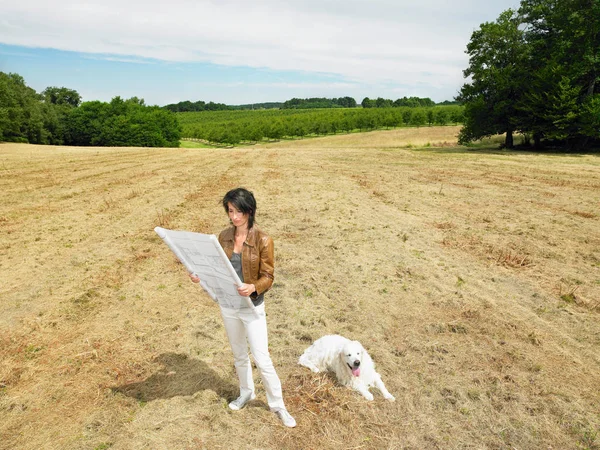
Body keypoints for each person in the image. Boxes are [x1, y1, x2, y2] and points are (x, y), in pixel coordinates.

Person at [189, 187, 296, 428]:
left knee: (262, 357)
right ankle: (246, 392)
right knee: (239, 354)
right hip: (229, 306)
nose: (234, 216)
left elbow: (268, 276)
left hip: (252, 308)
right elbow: (214, 268)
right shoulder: (223, 236)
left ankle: (278, 405)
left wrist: (253, 287)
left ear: (250, 211)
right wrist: (200, 276)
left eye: (239, 211)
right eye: (230, 211)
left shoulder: (263, 239)